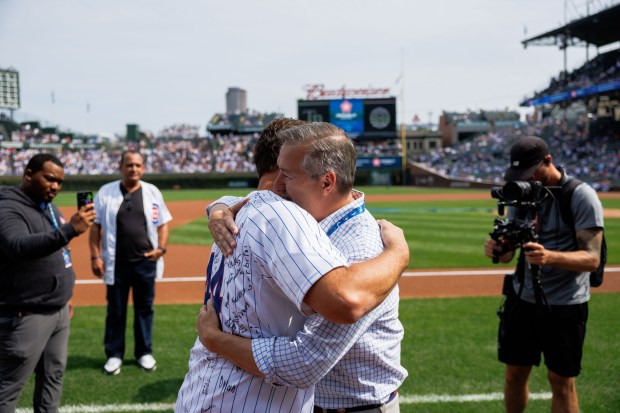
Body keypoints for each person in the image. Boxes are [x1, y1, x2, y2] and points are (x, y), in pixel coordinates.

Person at [175, 122, 409, 413]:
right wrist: (220, 207)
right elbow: (260, 200)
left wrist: (216, 340)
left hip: (356, 408)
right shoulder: (307, 218)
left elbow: (304, 362)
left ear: (327, 183)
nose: (277, 187)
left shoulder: (360, 248)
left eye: (287, 175)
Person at [484, 136, 604, 413]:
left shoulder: (580, 195)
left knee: (561, 381)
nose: (527, 179)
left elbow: (592, 260)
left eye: (531, 172)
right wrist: (498, 248)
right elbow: (507, 255)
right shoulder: (521, 192)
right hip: (522, 297)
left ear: (548, 161)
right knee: (514, 374)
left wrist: (550, 257)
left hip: (565, 304)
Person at [0, 153, 96, 412]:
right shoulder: (8, 207)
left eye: (60, 182)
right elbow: (16, 246)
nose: (55, 187)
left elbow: (60, 250)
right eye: (50, 179)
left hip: (58, 310)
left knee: (52, 380)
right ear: (29, 174)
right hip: (26, 314)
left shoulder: (50, 207)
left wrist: (66, 294)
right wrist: (70, 230)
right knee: (8, 389)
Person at [89, 149, 172, 375]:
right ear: (121, 167)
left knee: (145, 309)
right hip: (116, 264)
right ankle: (114, 354)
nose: (133, 169)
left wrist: (161, 249)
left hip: (145, 262)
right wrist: (95, 256)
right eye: (129, 165)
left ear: (143, 168)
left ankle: (144, 352)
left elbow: (163, 223)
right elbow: (95, 226)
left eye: (137, 165)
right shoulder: (106, 192)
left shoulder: (152, 192)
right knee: (115, 310)